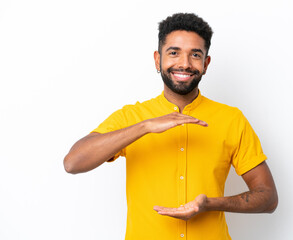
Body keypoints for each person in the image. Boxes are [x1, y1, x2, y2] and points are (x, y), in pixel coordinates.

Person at [64, 13, 278, 240]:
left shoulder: (232, 119)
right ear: (158, 60)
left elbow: (268, 197)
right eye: (174, 53)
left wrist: (210, 204)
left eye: (195, 55)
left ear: (206, 64)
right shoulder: (132, 117)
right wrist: (145, 127)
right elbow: (73, 162)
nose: (184, 64)